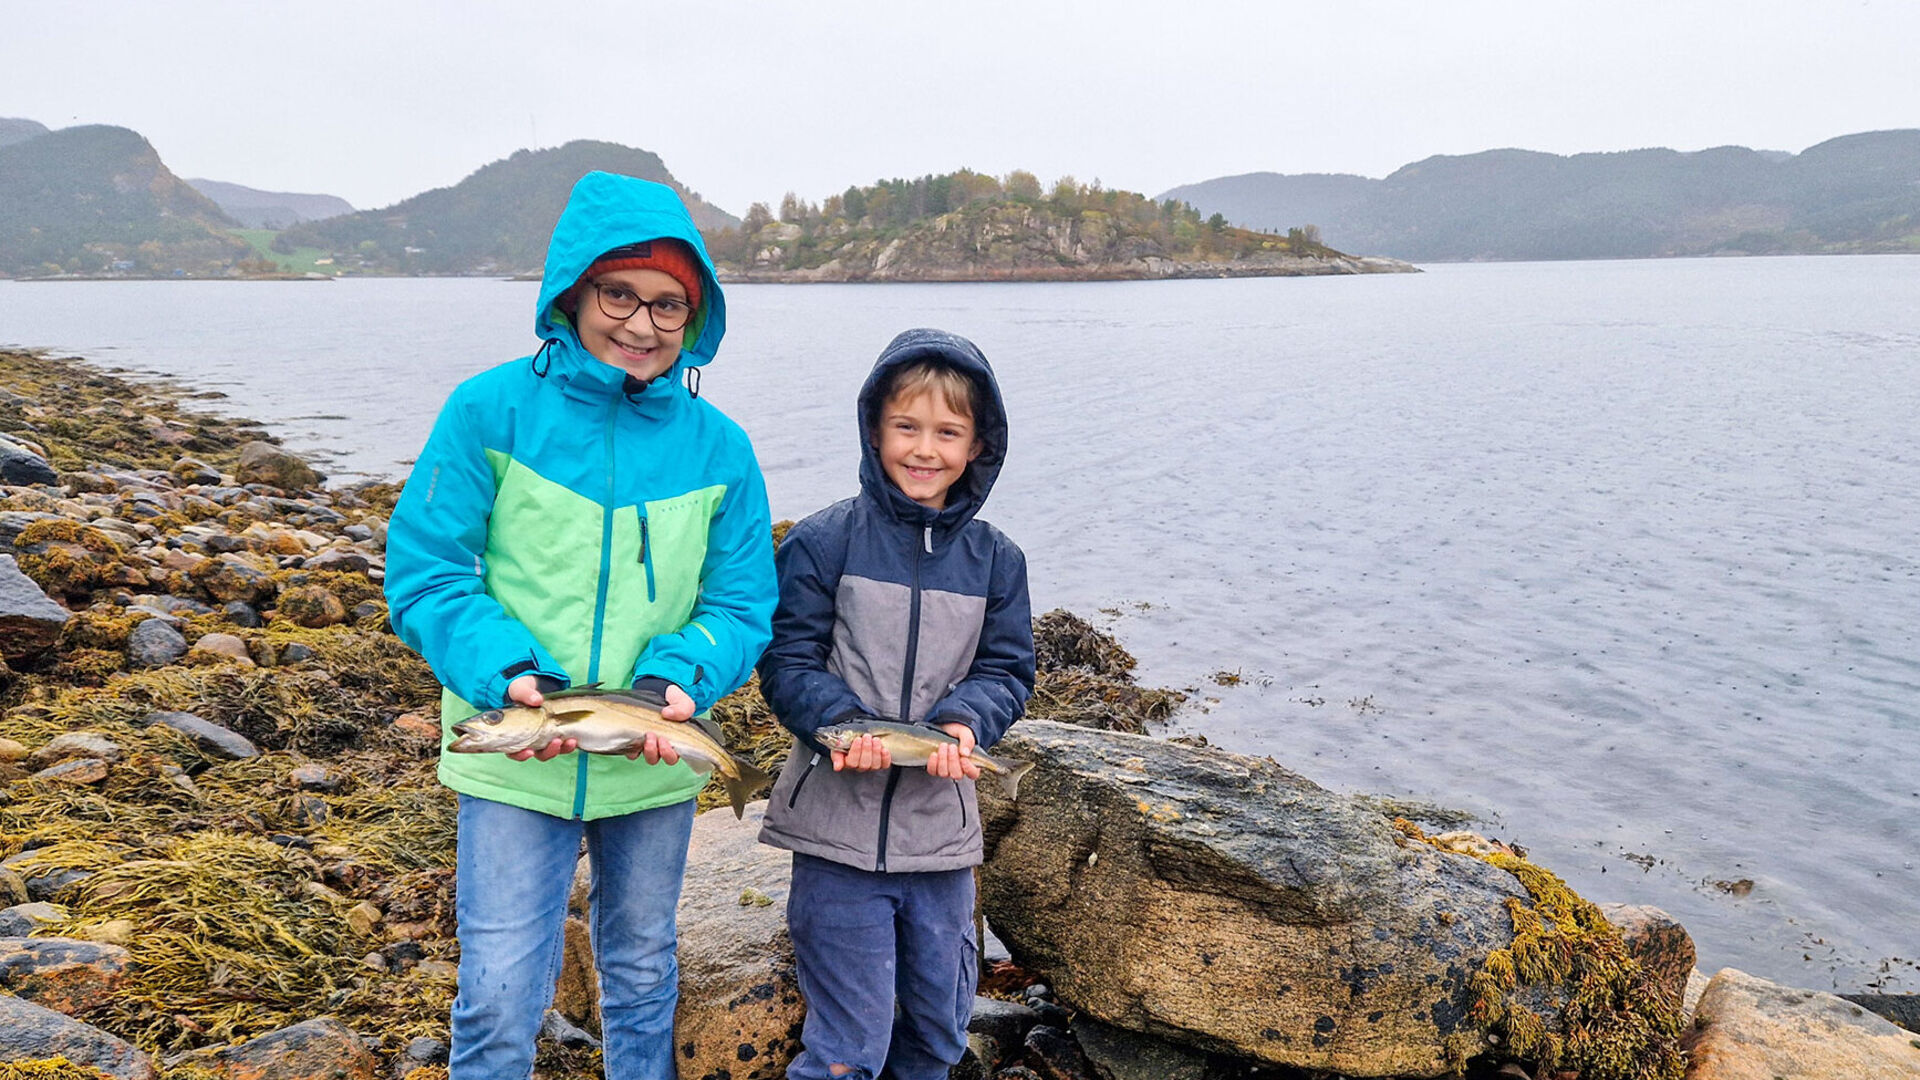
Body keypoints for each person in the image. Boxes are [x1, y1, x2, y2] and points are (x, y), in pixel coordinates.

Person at [384, 170, 775, 1079]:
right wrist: (510, 678)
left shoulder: (723, 448)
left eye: (668, 304)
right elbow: (427, 573)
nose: (641, 324)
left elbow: (742, 602)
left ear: (697, 314)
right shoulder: (487, 410)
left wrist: (679, 681)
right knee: (495, 993)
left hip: (655, 756)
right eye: (618, 294)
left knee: (641, 972)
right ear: (572, 291)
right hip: (519, 758)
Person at [756, 328, 1036, 1080]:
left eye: (948, 432)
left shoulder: (997, 561)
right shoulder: (823, 542)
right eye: (906, 427)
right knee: (848, 1048)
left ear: (979, 444)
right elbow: (786, 659)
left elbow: (1008, 669)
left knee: (938, 1037)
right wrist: (839, 726)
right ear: (874, 427)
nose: (924, 449)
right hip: (834, 841)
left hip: (941, 843)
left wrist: (964, 722)